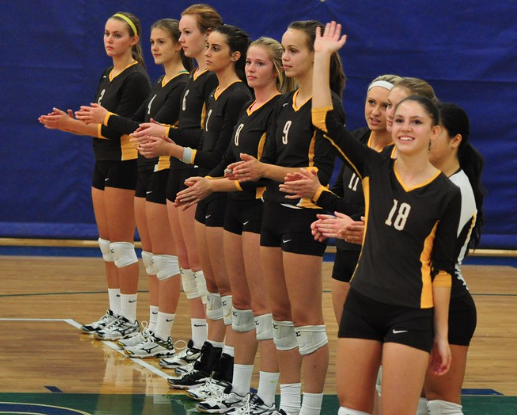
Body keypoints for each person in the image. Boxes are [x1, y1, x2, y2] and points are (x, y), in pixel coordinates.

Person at [311, 22, 461, 415]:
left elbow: (442, 269)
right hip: (362, 303)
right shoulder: (374, 168)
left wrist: (441, 336)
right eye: (399, 120)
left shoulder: (447, 193)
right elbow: (325, 120)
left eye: (416, 122)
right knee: (353, 408)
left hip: (411, 311)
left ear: (434, 130)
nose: (404, 128)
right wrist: (323, 58)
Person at [229, 20, 346, 415]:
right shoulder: (284, 103)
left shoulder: (325, 105)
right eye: (284, 49)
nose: (285, 57)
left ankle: (309, 409)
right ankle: (287, 403)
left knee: (307, 320)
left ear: (316, 56)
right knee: (278, 315)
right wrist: (251, 170)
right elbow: (277, 165)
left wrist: (263, 169)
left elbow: (318, 175)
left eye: (293, 50)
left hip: (304, 216)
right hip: (273, 211)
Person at [174, 36, 295, 415]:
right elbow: (228, 158)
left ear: (275, 68)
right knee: (238, 304)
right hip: (233, 209)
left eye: (260, 64)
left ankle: (266, 395)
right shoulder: (250, 106)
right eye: (250, 63)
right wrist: (205, 183)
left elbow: (261, 172)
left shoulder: (277, 109)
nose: (251, 69)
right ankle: (236, 388)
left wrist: (214, 185)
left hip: (259, 212)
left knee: (264, 309)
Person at [139, 23, 252, 390]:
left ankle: (228, 371)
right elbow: (207, 144)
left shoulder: (236, 95)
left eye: (215, 47)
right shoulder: (218, 92)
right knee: (212, 284)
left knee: (228, 289)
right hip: (204, 185)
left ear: (235, 55)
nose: (206, 51)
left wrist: (174, 148)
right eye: (208, 46)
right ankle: (210, 357)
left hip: (218, 191)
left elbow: (217, 153)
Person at [75, 18, 192, 352]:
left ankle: (151, 328)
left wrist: (104, 120)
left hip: (150, 167)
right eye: (154, 42)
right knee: (128, 249)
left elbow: (129, 127)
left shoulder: (160, 81)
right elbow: (136, 124)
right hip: (135, 165)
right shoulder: (157, 83)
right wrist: (79, 124)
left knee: (154, 256)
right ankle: (136, 322)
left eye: (163, 41)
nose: (156, 47)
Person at [38, 12, 150, 339]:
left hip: (123, 163)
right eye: (106, 33)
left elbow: (122, 128)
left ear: (133, 40)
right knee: (106, 244)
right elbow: (100, 126)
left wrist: (75, 125)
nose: (109, 39)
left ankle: (128, 318)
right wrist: (69, 124)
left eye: (117, 35)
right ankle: (115, 312)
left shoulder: (136, 78)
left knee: (122, 245)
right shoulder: (107, 74)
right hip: (102, 161)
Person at [132, 4, 223, 367]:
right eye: (181, 33)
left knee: (200, 267)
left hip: (196, 175)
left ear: (208, 35)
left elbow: (206, 139)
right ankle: (199, 343)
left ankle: (208, 349)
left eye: (187, 33)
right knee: (186, 264)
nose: (183, 39)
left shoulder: (208, 82)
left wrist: (165, 134)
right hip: (175, 172)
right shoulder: (196, 79)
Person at [280, 74, 401, 324]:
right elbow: (339, 192)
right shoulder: (357, 139)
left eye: (385, 105)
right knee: (348, 334)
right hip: (346, 250)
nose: (375, 111)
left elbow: (375, 212)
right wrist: (327, 220)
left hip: (376, 254)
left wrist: (320, 194)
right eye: (371, 102)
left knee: (373, 341)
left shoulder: (397, 156)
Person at [422, 103, 485, 415]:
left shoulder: (457, 190)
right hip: (419, 299)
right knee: (412, 399)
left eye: (435, 131)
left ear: (455, 140)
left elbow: (429, 257)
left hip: (449, 305)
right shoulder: (430, 180)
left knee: (442, 403)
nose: (426, 137)